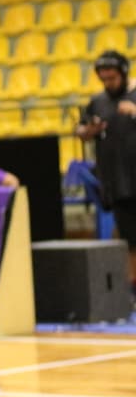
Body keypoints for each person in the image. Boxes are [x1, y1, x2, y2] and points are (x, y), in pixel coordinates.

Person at [76, 50, 136, 291]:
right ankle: (132, 291)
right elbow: (80, 131)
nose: (108, 83)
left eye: (112, 78)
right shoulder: (97, 101)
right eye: (104, 79)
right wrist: (90, 129)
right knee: (129, 239)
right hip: (117, 182)